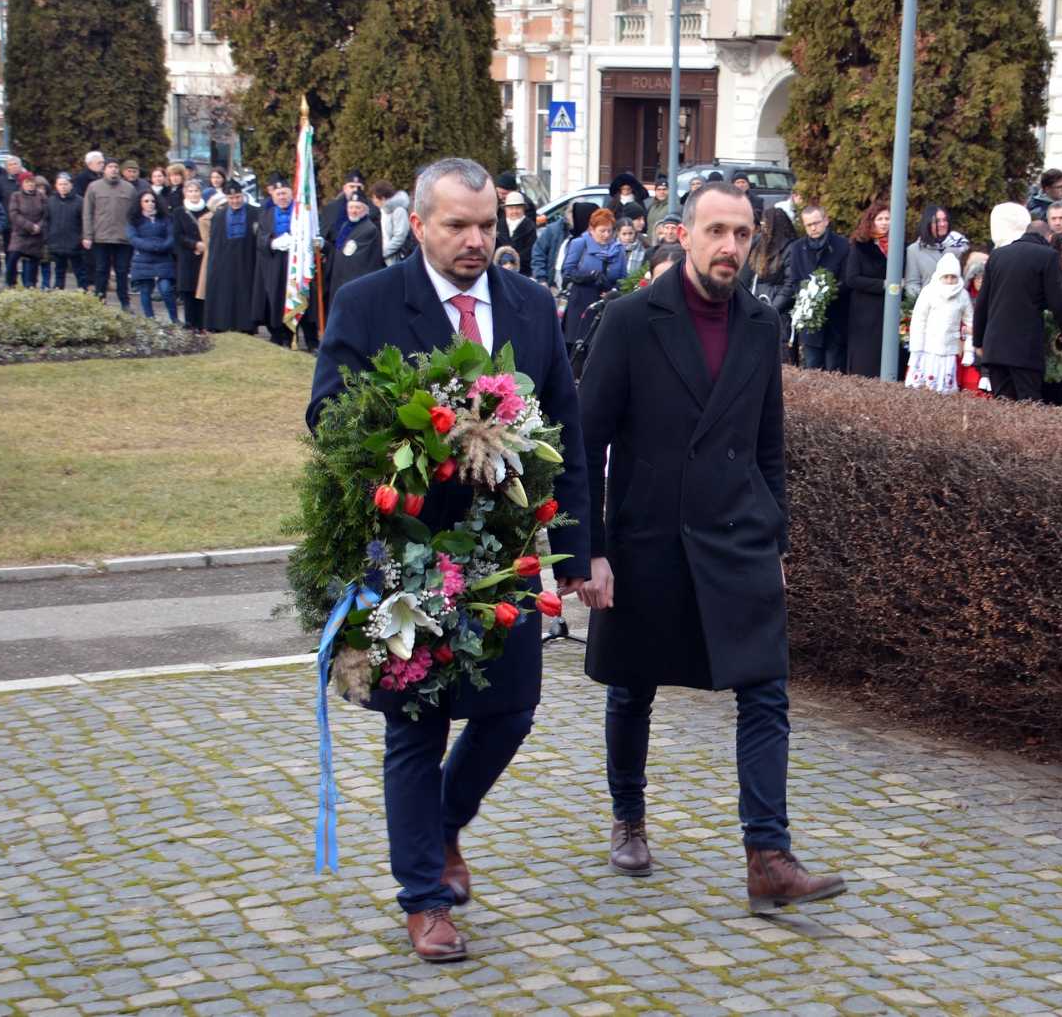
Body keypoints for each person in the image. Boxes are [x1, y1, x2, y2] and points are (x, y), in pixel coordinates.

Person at [308, 157, 588, 964]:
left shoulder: (532, 305)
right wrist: (427, 433)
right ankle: (425, 896)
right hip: (408, 552)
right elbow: (327, 414)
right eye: (457, 225)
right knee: (417, 726)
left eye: (486, 226)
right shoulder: (368, 303)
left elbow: (563, 428)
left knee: (511, 710)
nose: (474, 240)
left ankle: (442, 825)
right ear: (421, 224)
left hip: (504, 552)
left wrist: (576, 555)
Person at [574, 179, 846, 913]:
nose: (730, 246)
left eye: (742, 233)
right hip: (647, 537)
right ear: (685, 235)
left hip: (739, 535)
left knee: (766, 690)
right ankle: (627, 814)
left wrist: (777, 536)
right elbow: (585, 441)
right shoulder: (631, 320)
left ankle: (768, 853)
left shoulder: (761, 324)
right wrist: (586, 550)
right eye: (717, 231)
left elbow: (768, 444)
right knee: (633, 684)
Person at [972, 204, 1062, 401]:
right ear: (1049, 238)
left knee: (1003, 407)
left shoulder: (997, 255)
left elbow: (982, 303)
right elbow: (1058, 303)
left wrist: (978, 340)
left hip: (995, 348)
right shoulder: (1047, 256)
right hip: (1024, 350)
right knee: (1028, 408)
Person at [787, 204, 850, 372]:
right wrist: (808, 296)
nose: (813, 228)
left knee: (834, 371)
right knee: (812, 371)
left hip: (836, 320)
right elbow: (794, 281)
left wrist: (827, 292)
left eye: (816, 222)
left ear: (826, 221)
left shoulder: (843, 245)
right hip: (811, 323)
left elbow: (847, 280)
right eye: (809, 225)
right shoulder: (797, 248)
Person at [904, 252, 972, 394]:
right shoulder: (929, 292)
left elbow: (970, 322)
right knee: (923, 388)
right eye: (945, 277)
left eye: (953, 277)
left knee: (945, 389)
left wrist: (968, 350)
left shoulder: (963, 295)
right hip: (927, 349)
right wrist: (916, 349)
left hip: (949, 350)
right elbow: (919, 321)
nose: (949, 281)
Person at [561, 207, 626, 349]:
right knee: (578, 348)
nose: (607, 235)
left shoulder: (618, 249)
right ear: (592, 229)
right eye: (602, 231)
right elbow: (567, 271)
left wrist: (614, 290)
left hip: (606, 302)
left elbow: (623, 278)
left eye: (610, 230)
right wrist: (589, 276)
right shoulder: (580, 244)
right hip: (581, 302)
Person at [842, 202, 893, 377]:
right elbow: (852, 278)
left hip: (890, 309)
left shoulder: (898, 246)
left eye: (888, 218)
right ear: (872, 221)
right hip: (865, 312)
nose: (885, 222)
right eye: (880, 219)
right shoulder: (860, 245)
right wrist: (882, 284)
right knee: (866, 360)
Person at [204, 181, 258, 333]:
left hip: (247, 259)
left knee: (245, 293)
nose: (235, 201)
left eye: (238, 197)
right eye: (231, 198)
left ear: (243, 196)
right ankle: (222, 323)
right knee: (225, 293)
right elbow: (215, 243)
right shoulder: (219, 216)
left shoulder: (255, 213)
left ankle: (246, 326)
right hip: (225, 261)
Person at [83, 159, 138, 309]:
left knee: (122, 271)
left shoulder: (129, 189)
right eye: (110, 167)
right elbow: (87, 212)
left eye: (115, 167)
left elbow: (135, 214)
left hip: (123, 238)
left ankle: (125, 302)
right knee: (101, 270)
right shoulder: (94, 187)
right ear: (104, 170)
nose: (113, 169)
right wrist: (87, 235)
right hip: (101, 237)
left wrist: (134, 235)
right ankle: (99, 301)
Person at [253, 174, 297, 346]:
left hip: (294, 263)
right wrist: (272, 242)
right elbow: (260, 237)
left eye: (285, 193)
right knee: (276, 299)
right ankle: (278, 334)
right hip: (275, 263)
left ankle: (297, 334)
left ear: (291, 193)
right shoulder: (266, 215)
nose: (282, 197)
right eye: (278, 194)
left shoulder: (301, 213)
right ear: (273, 196)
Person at [127, 190, 179, 323]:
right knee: (145, 291)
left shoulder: (165, 218)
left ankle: (174, 319)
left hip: (163, 258)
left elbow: (171, 236)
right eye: (146, 201)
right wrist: (151, 247)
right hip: (143, 260)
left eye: (152, 201)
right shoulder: (134, 220)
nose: (150, 204)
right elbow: (133, 238)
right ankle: (150, 320)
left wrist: (162, 246)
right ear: (140, 203)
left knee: (166, 289)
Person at [324, 193, 384, 306]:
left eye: (358, 207)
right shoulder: (346, 226)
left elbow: (355, 261)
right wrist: (324, 246)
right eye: (351, 207)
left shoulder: (369, 229)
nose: (353, 211)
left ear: (366, 210)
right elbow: (338, 251)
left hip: (354, 286)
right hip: (339, 283)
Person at [903, 203, 970, 300]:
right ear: (928, 223)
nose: (942, 224)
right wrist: (926, 301)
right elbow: (912, 284)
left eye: (944, 220)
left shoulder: (960, 245)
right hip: (930, 308)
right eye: (937, 221)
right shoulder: (914, 250)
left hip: (958, 306)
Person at [172, 179, 207, 330]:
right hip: (187, 256)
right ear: (185, 193)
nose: (193, 194)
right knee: (188, 291)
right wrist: (194, 244)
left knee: (202, 290)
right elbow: (177, 235)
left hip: (205, 256)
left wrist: (204, 244)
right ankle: (190, 322)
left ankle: (203, 323)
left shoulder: (208, 210)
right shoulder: (179, 212)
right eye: (190, 191)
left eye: (196, 191)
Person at [44, 173, 88, 290]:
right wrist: (48, 237)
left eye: (65, 184)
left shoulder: (80, 202)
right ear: (56, 186)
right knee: (59, 272)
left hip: (75, 244)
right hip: (56, 243)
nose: (63, 187)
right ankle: (58, 294)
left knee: (80, 272)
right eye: (60, 184)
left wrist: (81, 238)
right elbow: (46, 221)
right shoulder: (50, 201)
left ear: (71, 185)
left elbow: (85, 222)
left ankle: (84, 295)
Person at [5, 172, 47, 289]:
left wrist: (39, 226)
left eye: (32, 182)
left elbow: (46, 214)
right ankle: (10, 283)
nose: (30, 185)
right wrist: (29, 226)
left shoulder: (41, 196)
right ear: (22, 183)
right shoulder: (16, 196)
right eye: (27, 182)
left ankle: (30, 285)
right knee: (13, 258)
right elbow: (14, 214)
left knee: (33, 262)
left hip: (36, 235)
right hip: (20, 234)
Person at [371, 180, 413, 267]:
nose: (373, 201)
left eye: (374, 197)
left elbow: (400, 237)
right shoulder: (383, 210)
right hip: (386, 259)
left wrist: (383, 252)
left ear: (382, 198)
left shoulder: (399, 211)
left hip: (397, 259)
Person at [498, 191, 535, 276]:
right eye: (511, 208)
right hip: (499, 269)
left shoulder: (529, 226)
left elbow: (530, 250)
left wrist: (512, 262)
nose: (514, 211)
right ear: (505, 209)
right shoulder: (499, 225)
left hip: (522, 272)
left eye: (518, 208)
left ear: (523, 209)